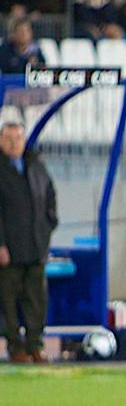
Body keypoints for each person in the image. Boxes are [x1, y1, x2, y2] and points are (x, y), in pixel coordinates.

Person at [0, 121, 58, 364]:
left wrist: (47, 228)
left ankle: (36, 345)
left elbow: (50, 197)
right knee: (9, 302)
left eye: (18, 138)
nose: (14, 143)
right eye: (9, 138)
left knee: (37, 300)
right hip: (9, 249)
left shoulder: (36, 165)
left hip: (36, 246)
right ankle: (16, 348)